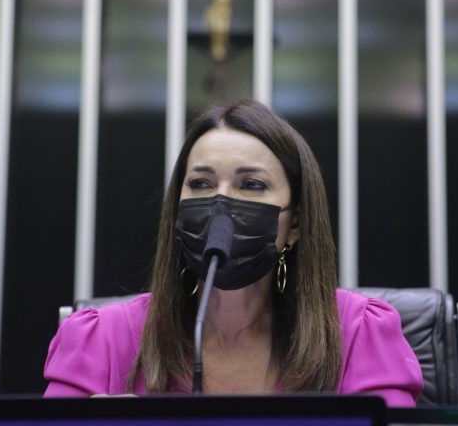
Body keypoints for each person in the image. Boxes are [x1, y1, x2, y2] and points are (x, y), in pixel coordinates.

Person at [43, 100, 423, 406]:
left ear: (294, 224)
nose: (220, 204)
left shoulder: (358, 334)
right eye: (201, 183)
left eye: (251, 184)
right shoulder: (101, 340)